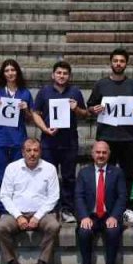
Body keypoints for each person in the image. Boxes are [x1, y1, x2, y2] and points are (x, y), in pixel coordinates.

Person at [0, 138, 61, 264]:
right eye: (28, 150)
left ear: (40, 152)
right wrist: (18, 216)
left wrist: (37, 216)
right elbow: (5, 196)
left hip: (42, 213)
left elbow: (53, 197)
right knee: (0, 227)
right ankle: (11, 262)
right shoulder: (12, 168)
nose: (32, 154)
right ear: (22, 152)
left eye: (36, 150)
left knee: (54, 226)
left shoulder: (50, 169)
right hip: (16, 213)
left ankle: (43, 262)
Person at [32, 60, 86, 223]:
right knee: (49, 175)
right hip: (49, 141)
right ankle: (51, 209)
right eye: (59, 73)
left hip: (69, 141)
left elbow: (85, 114)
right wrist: (44, 129)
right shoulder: (44, 92)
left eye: (65, 73)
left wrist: (76, 109)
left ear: (69, 76)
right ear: (53, 74)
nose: (62, 76)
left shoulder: (75, 92)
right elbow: (35, 113)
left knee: (69, 176)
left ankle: (67, 209)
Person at [87, 48, 133, 188]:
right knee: (106, 172)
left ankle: (126, 205)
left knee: (128, 172)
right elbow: (90, 106)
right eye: (115, 61)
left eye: (121, 61)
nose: (118, 64)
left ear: (126, 64)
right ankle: (107, 203)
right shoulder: (101, 84)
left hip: (128, 137)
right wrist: (93, 109)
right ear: (111, 63)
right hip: (106, 136)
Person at [74, 141, 128, 264]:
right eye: (98, 152)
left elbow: (122, 197)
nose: (101, 155)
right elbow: (78, 197)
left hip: (109, 214)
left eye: (104, 152)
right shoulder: (83, 173)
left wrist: (115, 216)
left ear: (109, 155)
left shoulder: (117, 172)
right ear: (92, 154)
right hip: (90, 215)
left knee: (113, 230)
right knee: (84, 231)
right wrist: (84, 217)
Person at [0, 59, 35, 201]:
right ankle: (3, 210)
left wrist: (26, 110)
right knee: (0, 176)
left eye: (13, 70)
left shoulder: (25, 93)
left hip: (18, 139)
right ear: (3, 73)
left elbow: (30, 119)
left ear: (17, 72)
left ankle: (17, 207)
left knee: (18, 175)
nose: (10, 73)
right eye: (7, 70)